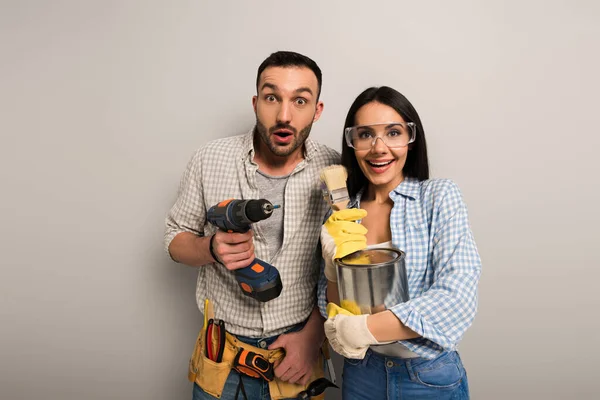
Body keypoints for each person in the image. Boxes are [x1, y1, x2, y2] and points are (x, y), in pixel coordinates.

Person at [165, 51, 339, 400]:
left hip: (299, 360)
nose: (284, 115)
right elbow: (174, 239)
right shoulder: (209, 158)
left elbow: (339, 270)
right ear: (256, 102)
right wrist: (209, 248)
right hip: (222, 363)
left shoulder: (334, 169)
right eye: (272, 97)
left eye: (300, 100)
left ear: (317, 110)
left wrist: (313, 336)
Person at [318, 86, 482, 399]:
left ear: (409, 138)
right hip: (361, 375)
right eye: (365, 134)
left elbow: (457, 297)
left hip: (428, 377)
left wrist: (365, 329)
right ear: (352, 143)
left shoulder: (439, 197)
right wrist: (331, 269)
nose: (379, 148)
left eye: (393, 132)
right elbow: (334, 310)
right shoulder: (341, 212)